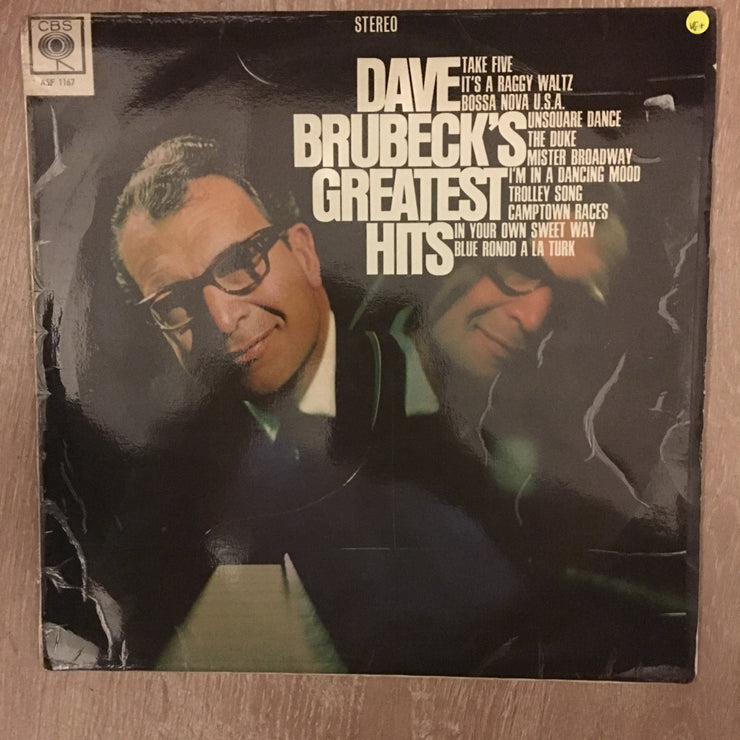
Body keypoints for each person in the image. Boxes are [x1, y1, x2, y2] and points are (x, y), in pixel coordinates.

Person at [106, 135, 540, 675]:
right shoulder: (164, 489)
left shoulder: (456, 396)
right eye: (173, 302)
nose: (222, 319)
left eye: (240, 262)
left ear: (305, 254)